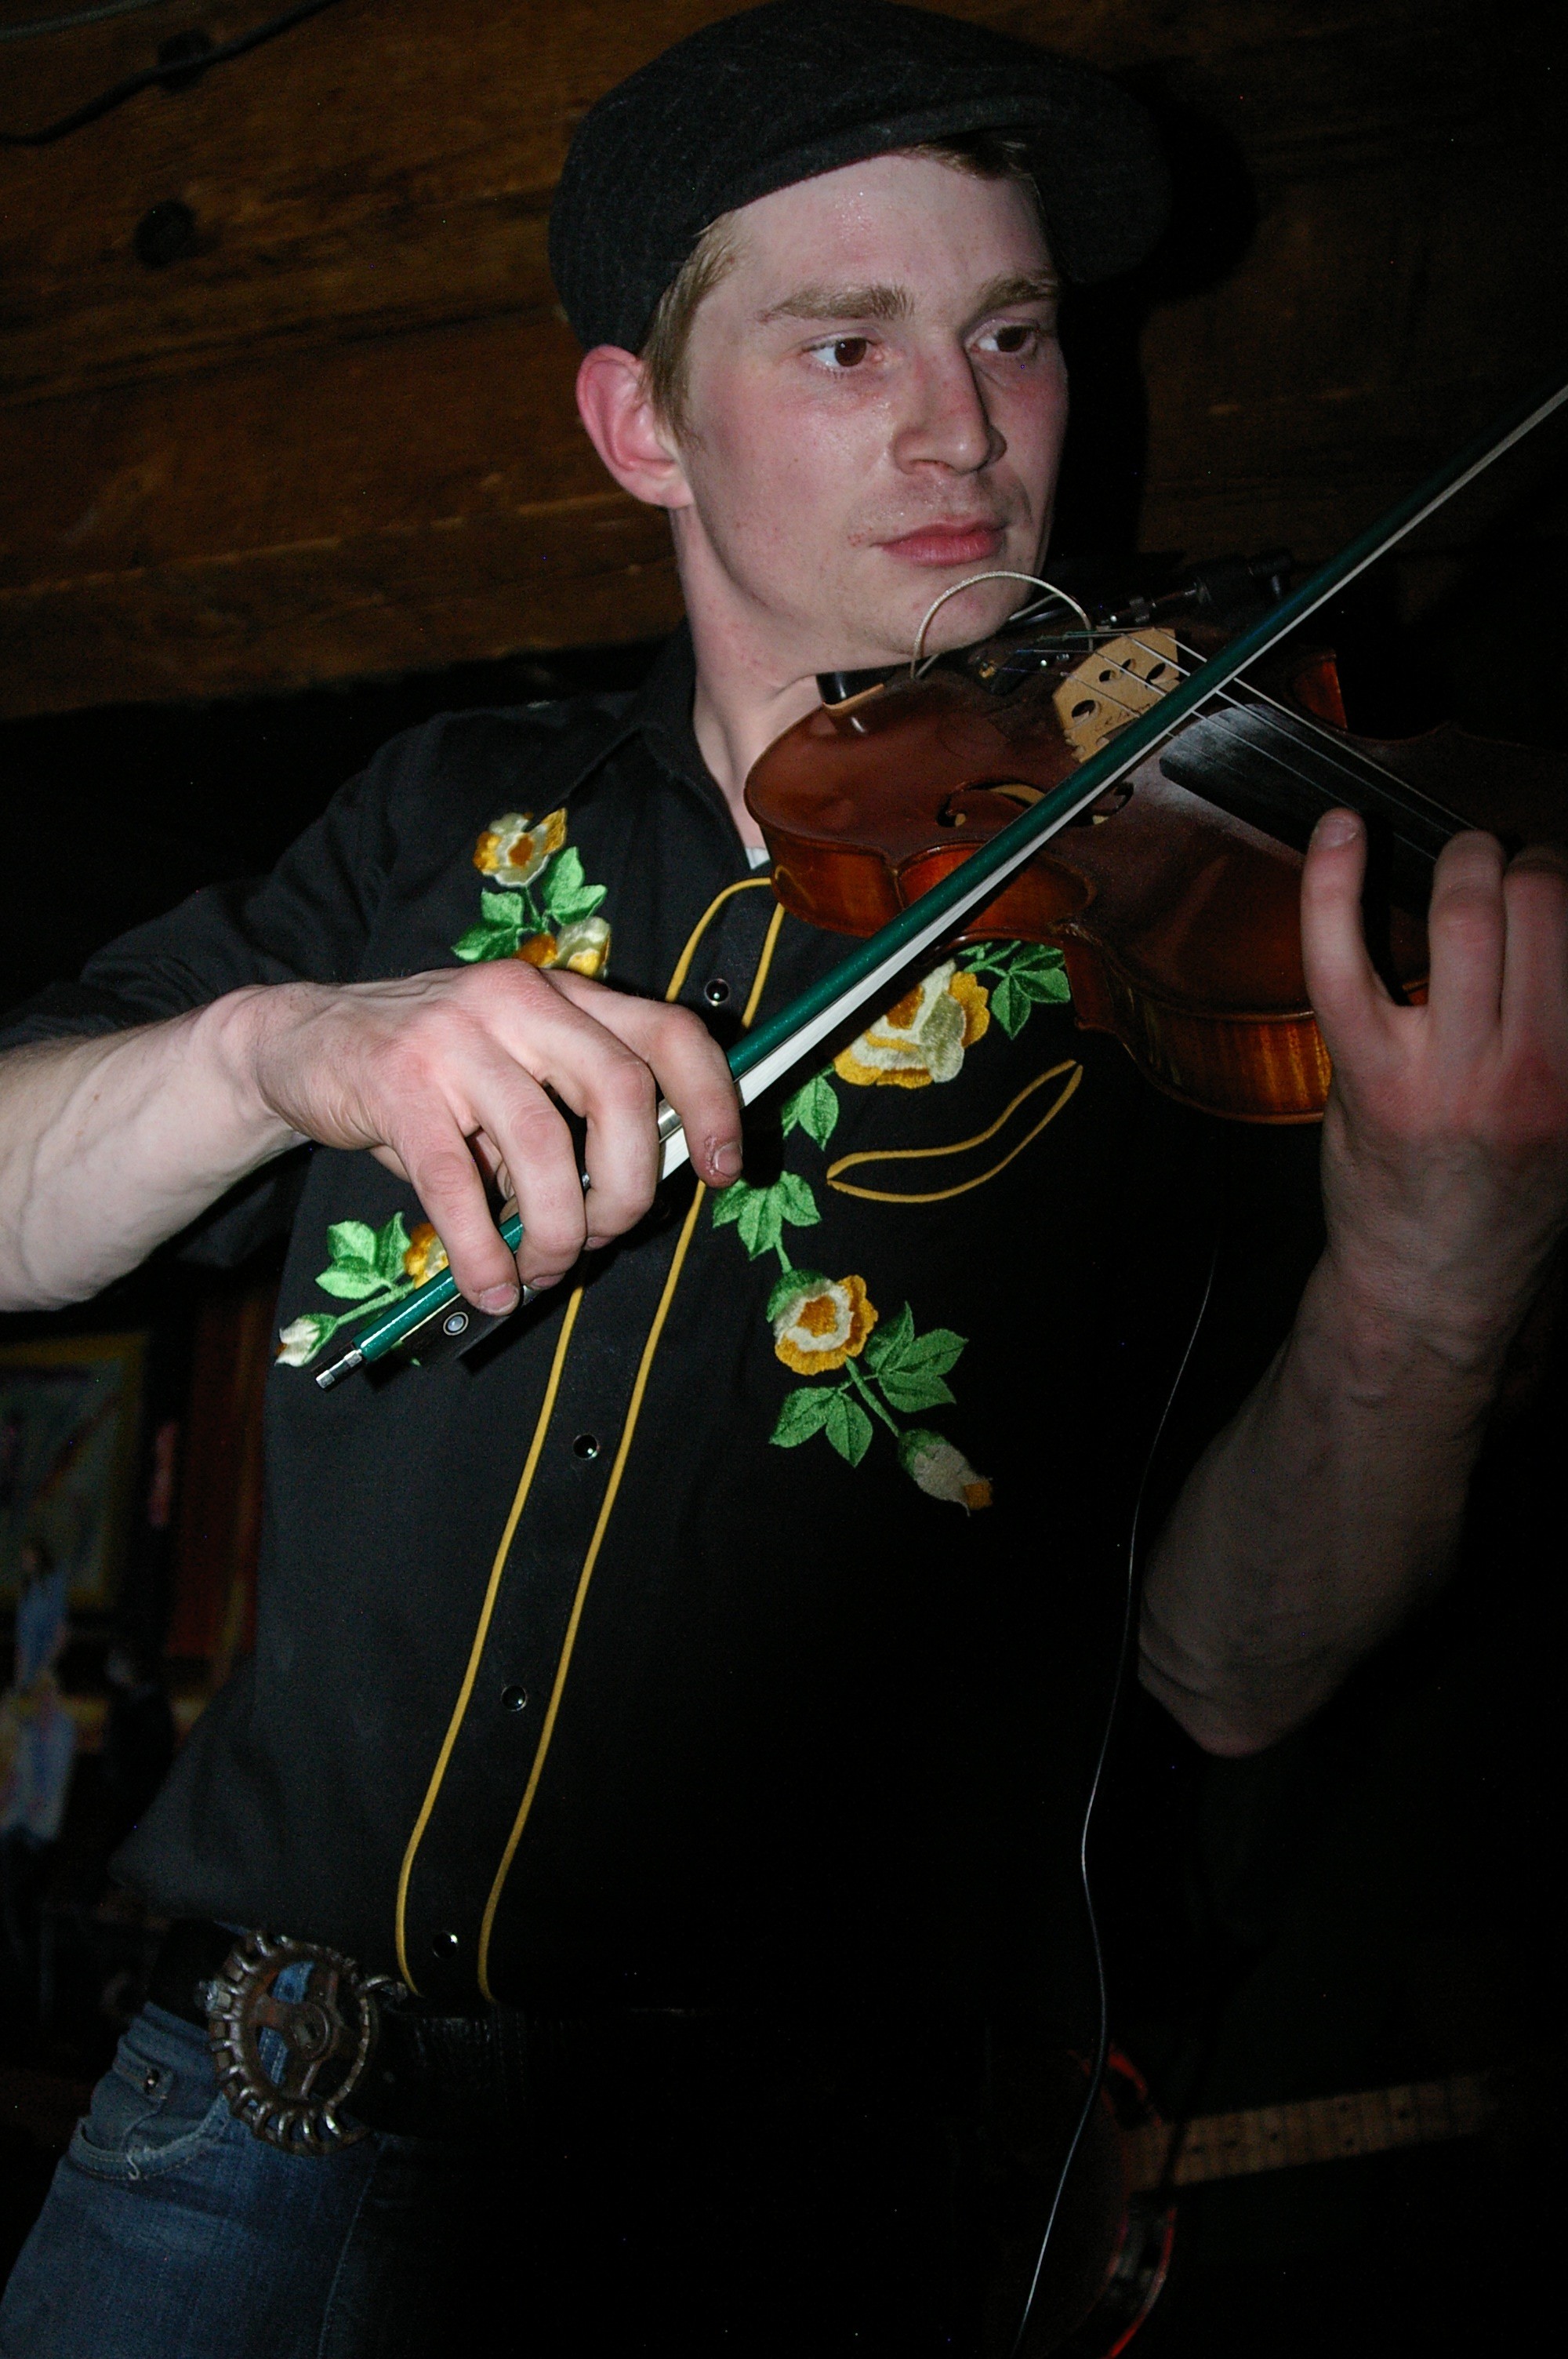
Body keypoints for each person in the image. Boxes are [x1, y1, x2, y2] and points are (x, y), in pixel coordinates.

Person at [1, 5, 1563, 2353]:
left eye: (1012, 334)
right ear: (643, 423)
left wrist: (1430, 1292)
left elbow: (1232, 1673)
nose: (966, 431)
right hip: (225, 2150)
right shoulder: (444, 814)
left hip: (799, 2223)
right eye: (848, 345)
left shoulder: (1204, 940)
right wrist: (272, 1045)